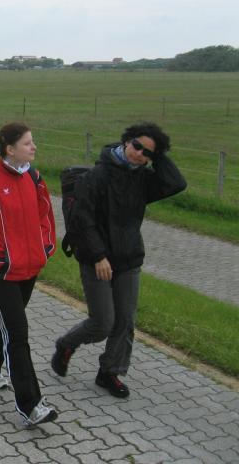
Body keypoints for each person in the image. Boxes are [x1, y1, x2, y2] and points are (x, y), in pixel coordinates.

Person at [51, 122, 186, 398]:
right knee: (103, 322)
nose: (139, 154)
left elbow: (176, 183)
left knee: (125, 321)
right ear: (126, 141)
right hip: (96, 259)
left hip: (129, 258)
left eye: (148, 153)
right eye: (137, 146)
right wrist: (99, 256)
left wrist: (159, 155)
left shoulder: (143, 179)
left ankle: (109, 372)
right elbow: (83, 220)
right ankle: (66, 344)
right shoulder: (97, 176)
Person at [0, 122, 58, 427]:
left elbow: (46, 216)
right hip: (2, 273)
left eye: (33, 142)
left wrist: (44, 248)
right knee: (17, 334)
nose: (34, 147)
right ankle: (31, 405)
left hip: (30, 269)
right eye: (28, 143)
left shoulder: (35, 178)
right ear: (10, 149)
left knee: (7, 322)